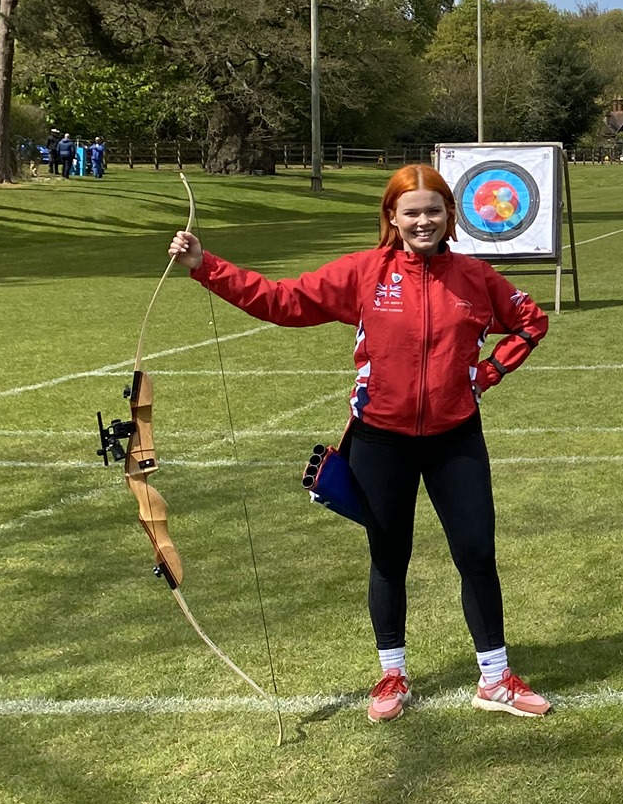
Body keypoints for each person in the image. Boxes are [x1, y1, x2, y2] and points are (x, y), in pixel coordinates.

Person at [168, 163, 552, 724]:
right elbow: (282, 301)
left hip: (455, 439)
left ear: (451, 216)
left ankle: (494, 679)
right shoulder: (364, 273)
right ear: (392, 218)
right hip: (380, 441)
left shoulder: (475, 277)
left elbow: (530, 322)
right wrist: (207, 267)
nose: (423, 221)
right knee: (388, 558)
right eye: (411, 212)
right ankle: (392, 674)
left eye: (434, 210)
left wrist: (485, 374)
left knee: (476, 554)